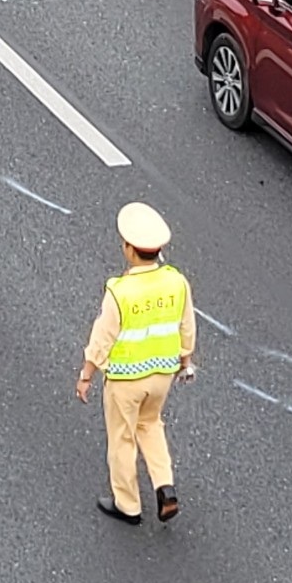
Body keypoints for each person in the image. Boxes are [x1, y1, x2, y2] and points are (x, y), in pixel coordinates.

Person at [75, 202, 196, 525]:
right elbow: (187, 326)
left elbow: (103, 336)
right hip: (163, 375)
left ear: (129, 249)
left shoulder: (120, 291)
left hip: (126, 379)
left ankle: (128, 504)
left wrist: (87, 373)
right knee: (151, 424)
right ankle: (163, 484)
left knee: (122, 438)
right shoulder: (176, 282)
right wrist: (186, 360)